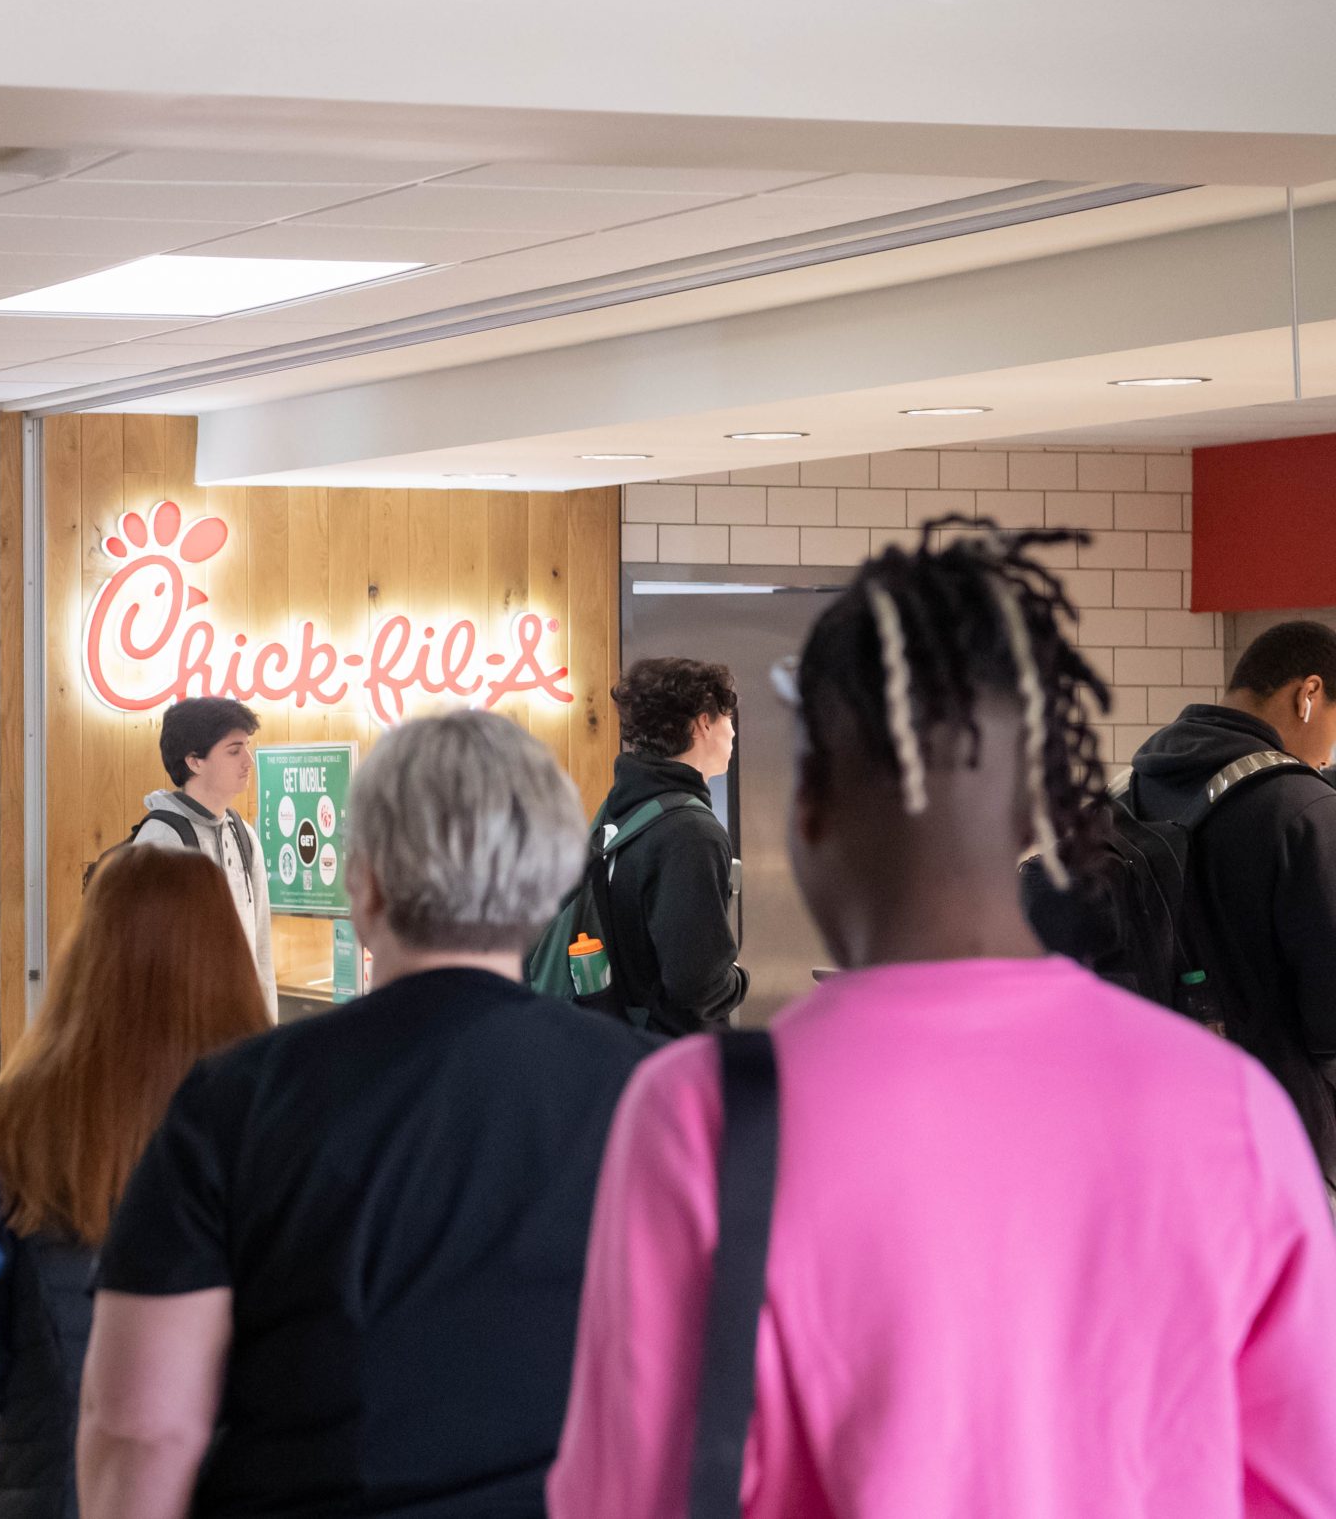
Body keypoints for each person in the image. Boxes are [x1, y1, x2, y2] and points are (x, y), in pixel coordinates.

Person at [548, 526, 1336, 1517]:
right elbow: (1298, 1489)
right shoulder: (1234, 1114)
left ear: (809, 811)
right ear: (1039, 806)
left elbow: (629, 1494)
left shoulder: (702, 1119)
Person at [79, 711, 654, 1519]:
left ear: (366, 880)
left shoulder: (237, 1099)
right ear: (550, 880)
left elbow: (143, 1426)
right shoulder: (647, 1094)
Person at [0, 846, 268, 1519]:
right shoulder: (285, 1122)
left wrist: (28, 1383)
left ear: (86, 956)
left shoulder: (11, 1130)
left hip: (58, 1480)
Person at [1131, 619, 1336, 1170]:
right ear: (1308, 696)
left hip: (1148, 1117)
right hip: (1273, 1133)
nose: (1327, 754)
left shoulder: (1134, 787)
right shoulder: (1302, 808)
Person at [590, 658, 746, 1033]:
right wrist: (739, 979)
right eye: (727, 719)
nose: (732, 732)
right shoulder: (690, 832)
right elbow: (697, 984)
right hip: (671, 1054)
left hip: (620, 1038)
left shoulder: (621, 807)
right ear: (703, 723)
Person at [132, 697, 275, 1019]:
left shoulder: (244, 834)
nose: (248, 761)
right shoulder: (160, 841)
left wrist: (267, 1031)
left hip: (242, 1034)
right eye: (234, 750)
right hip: (185, 1036)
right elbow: (146, 965)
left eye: (247, 747)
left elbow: (260, 947)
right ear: (195, 761)